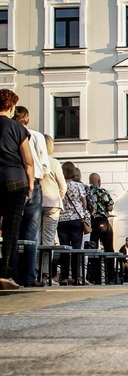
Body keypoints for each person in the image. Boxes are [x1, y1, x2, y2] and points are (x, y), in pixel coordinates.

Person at [12, 106, 49, 287]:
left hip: (14, 182)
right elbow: (43, 163)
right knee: (31, 233)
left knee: (14, 230)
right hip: (33, 182)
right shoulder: (36, 136)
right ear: (27, 119)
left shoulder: (9, 131)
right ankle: (29, 276)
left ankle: (14, 273)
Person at [0, 89, 33, 290]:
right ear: (11, 107)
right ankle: (5, 276)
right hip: (15, 181)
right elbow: (28, 161)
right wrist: (30, 185)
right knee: (11, 230)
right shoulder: (18, 128)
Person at [40, 135, 67, 285]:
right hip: (52, 204)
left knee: (35, 239)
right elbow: (63, 186)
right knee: (48, 240)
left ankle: (34, 272)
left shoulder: (34, 161)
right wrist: (58, 198)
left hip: (36, 203)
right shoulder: (54, 163)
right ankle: (45, 274)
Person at [57, 161, 88, 285]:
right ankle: (75, 277)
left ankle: (64, 277)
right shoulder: (79, 186)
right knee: (76, 249)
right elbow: (84, 203)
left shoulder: (59, 185)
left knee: (64, 249)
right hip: (76, 219)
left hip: (62, 219)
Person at [89, 173, 115, 282]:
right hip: (103, 221)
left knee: (93, 249)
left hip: (93, 222)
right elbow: (110, 207)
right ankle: (110, 277)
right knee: (108, 249)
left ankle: (95, 277)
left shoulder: (87, 191)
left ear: (90, 181)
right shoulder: (102, 191)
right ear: (99, 181)